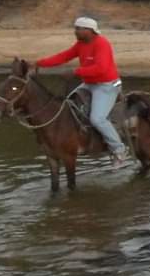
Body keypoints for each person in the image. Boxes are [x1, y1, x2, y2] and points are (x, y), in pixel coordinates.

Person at [34, 16, 128, 166]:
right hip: (89, 84)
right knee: (66, 106)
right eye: (75, 28)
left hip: (106, 85)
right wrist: (39, 63)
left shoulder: (101, 44)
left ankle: (119, 149)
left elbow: (101, 68)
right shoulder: (81, 44)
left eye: (79, 29)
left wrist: (75, 72)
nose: (75, 31)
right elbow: (63, 56)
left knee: (97, 119)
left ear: (89, 30)